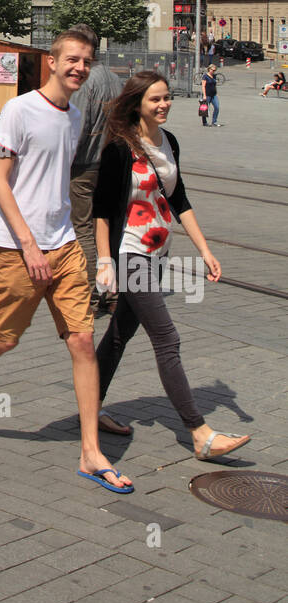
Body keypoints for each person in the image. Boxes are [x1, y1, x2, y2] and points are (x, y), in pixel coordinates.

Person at [0, 28, 134, 494]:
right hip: (17, 249)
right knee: (5, 338)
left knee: (83, 342)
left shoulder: (76, 116)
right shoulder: (21, 110)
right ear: (52, 62)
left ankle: (90, 452)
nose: (79, 68)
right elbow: (0, 182)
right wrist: (28, 243)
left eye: (86, 61)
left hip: (65, 245)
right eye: (71, 59)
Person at [94, 71, 251, 462]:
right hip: (130, 254)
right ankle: (199, 433)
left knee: (119, 335)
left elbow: (178, 199)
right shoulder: (118, 149)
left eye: (167, 98)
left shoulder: (170, 142)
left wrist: (205, 250)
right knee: (167, 338)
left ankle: (89, 406)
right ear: (137, 105)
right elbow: (100, 212)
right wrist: (104, 262)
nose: (163, 105)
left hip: (159, 254)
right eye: (155, 100)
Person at [68, 28, 123, 312]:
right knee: (110, 229)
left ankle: (90, 295)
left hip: (85, 165)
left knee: (84, 230)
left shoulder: (86, 82)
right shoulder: (116, 80)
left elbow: (76, 128)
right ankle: (113, 296)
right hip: (113, 164)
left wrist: (63, 162)